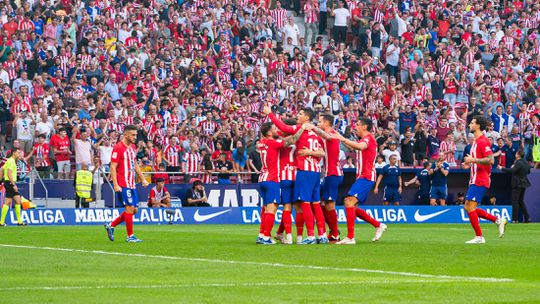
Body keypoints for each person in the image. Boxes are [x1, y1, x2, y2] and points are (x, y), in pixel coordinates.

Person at [264, 105, 327, 244]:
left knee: (300, 204)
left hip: (300, 172)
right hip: (316, 172)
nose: (298, 115)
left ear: (307, 118)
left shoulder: (297, 130)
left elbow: (284, 128)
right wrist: (312, 152)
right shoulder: (315, 133)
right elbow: (323, 153)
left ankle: (308, 236)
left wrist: (270, 114)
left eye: (300, 113)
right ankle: (321, 234)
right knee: (315, 204)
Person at [331, 117, 387, 244]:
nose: (355, 127)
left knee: (348, 201)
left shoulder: (369, 138)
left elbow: (360, 147)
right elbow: (355, 147)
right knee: (352, 206)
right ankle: (378, 225)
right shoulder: (364, 139)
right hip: (362, 176)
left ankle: (350, 237)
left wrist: (342, 139)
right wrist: (340, 137)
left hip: (366, 176)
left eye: (357, 124)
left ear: (364, 127)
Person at [256, 122, 305, 245]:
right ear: (268, 133)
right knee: (272, 210)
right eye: (274, 128)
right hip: (272, 180)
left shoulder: (261, 143)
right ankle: (266, 237)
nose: (276, 130)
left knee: (267, 209)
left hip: (262, 178)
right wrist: (302, 128)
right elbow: (292, 139)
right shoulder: (273, 143)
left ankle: (261, 234)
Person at [462, 116, 507, 244]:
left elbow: (491, 160)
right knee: (468, 207)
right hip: (475, 178)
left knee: (470, 207)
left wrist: (473, 160)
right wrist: (470, 164)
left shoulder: (483, 141)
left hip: (480, 179)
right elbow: (480, 160)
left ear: (478, 126)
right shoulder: (475, 142)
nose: (470, 125)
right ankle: (498, 221)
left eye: (472, 123)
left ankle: (479, 237)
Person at [104, 125, 149, 243]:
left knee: (134, 210)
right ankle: (130, 236)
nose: (135, 137)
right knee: (129, 208)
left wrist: (143, 179)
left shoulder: (133, 147)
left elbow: (135, 164)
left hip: (132, 183)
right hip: (123, 183)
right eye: (133, 135)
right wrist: (115, 184)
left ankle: (111, 225)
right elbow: (112, 167)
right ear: (126, 135)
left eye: (135, 135)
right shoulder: (118, 148)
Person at [310, 113, 343, 242]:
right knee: (319, 202)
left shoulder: (332, 134)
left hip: (334, 174)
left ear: (327, 123)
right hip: (328, 174)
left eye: (320, 121)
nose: (318, 123)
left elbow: (326, 136)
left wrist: (311, 127)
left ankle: (335, 233)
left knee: (329, 204)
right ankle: (332, 229)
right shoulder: (324, 136)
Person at [500, 150, 531, 223]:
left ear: (518, 155)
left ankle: (515, 219)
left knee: (515, 201)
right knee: (520, 201)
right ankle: (527, 218)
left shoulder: (518, 162)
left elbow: (512, 171)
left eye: (516, 153)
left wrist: (502, 168)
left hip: (517, 184)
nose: (515, 154)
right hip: (524, 183)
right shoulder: (526, 163)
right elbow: (528, 171)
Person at [0, 148, 27, 226]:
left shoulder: (9, 161)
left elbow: (2, 169)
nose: (19, 154)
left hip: (8, 182)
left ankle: (19, 222)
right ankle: (1, 222)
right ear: (13, 153)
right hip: (10, 183)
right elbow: (9, 173)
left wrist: (1, 179)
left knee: (18, 201)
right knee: (8, 202)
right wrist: (13, 185)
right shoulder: (11, 161)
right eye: (18, 153)